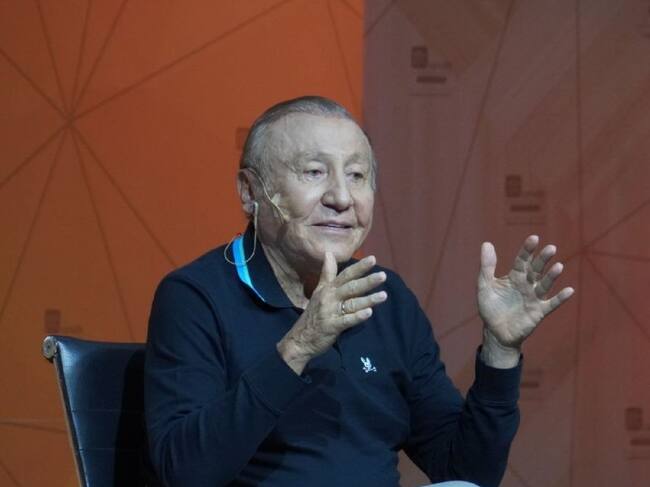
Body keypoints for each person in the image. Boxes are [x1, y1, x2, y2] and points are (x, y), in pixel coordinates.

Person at [144, 96, 574, 487]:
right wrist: (298, 347)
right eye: (314, 172)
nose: (341, 197)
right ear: (250, 192)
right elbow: (185, 472)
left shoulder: (387, 300)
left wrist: (500, 351)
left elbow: (465, 472)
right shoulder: (195, 297)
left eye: (357, 175)